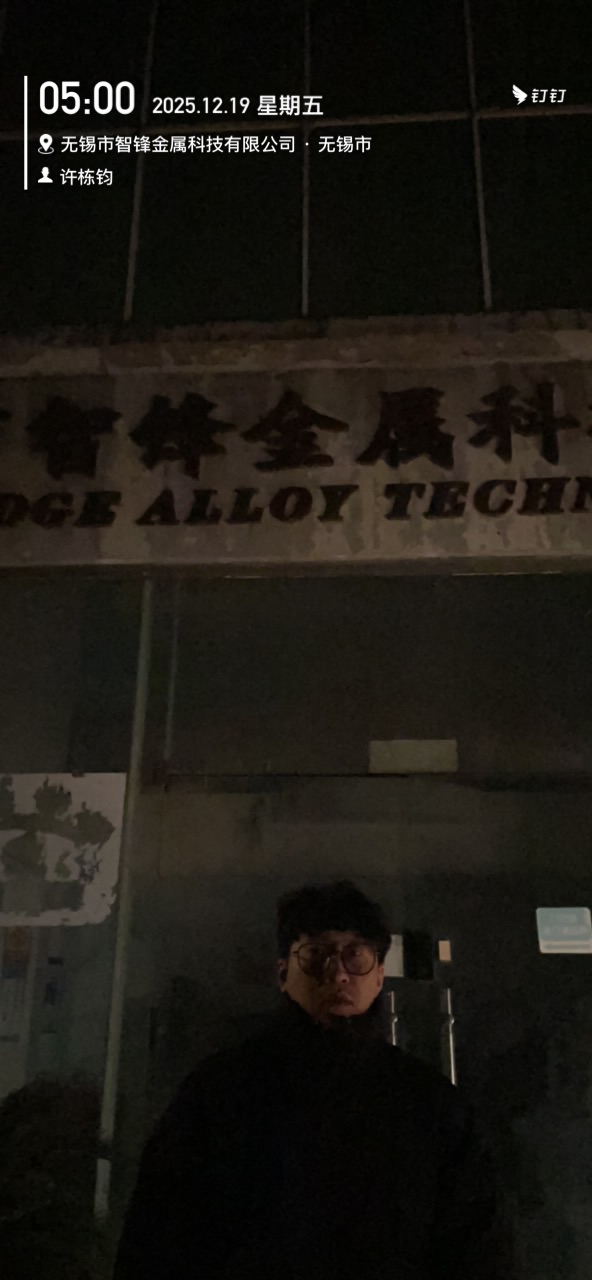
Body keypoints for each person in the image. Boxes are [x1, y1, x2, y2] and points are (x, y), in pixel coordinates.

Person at [113, 879, 513, 1279]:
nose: (337, 973)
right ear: (283, 973)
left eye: (355, 955)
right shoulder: (221, 1093)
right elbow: (158, 1237)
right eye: (316, 955)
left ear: (379, 975)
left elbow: (477, 1248)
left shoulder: (429, 1105)